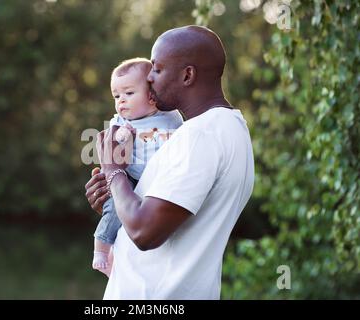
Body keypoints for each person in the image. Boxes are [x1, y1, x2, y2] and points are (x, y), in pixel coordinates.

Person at [85, 25, 255, 299]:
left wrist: (114, 170)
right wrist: (115, 199)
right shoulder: (231, 127)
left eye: (157, 69)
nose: (149, 78)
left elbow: (144, 232)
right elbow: (159, 218)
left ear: (187, 75)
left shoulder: (199, 136)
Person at [92, 58, 183, 276]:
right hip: (130, 177)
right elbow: (112, 147)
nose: (121, 101)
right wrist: (123, 138)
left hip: (158, 183)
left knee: (146, 220)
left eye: (129, 93)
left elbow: (181, 133)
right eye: (116, 96)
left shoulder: (171, 117)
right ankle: (102, 249)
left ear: (152, 96)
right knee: (114, 208)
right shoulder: (122, 123)